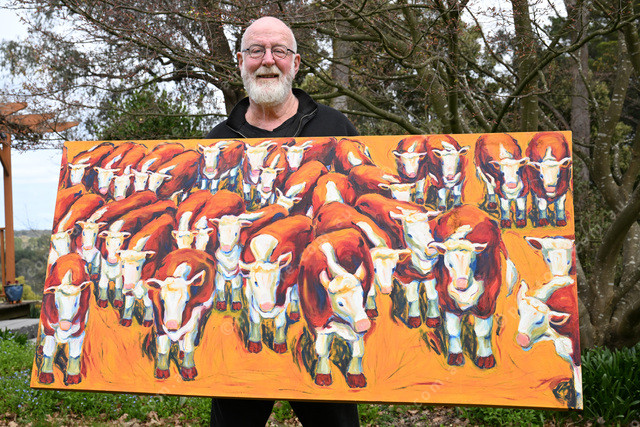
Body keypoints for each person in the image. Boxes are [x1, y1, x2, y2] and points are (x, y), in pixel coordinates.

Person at [206, 16, 361, 427]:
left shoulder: (335, 127)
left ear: (295, 62)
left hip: (322, 293)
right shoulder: (217, 139)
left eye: (279, 51)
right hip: (247, 305)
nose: (267, 60)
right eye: (256, 50)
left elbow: (357, 198)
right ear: (241, 60)